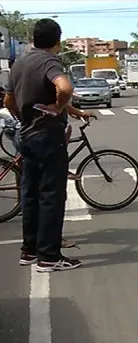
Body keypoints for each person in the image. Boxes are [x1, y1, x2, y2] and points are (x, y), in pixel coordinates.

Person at [3, 18, 96, 272]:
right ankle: (49, 257)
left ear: (33, 37)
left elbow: (9, 100)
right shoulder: (49, 61)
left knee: (30, 194)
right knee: (51, 196)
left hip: (28, 136)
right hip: (48, 138)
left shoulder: (20, 64)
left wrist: (25, 118)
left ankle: (29, 251)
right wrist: (57, 107)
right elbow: (64, 87)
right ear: (57, 40)